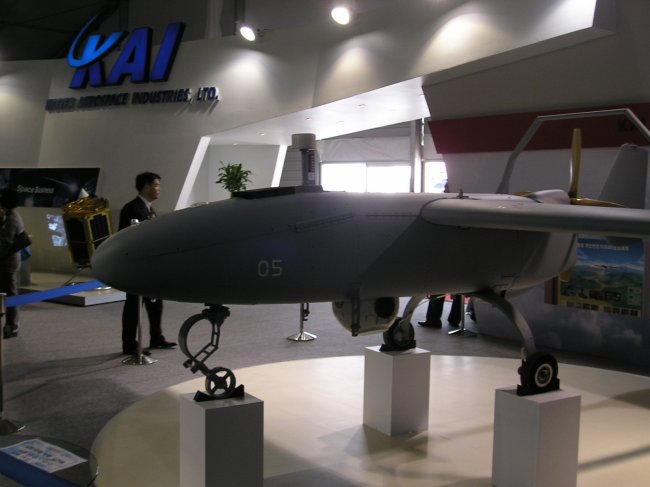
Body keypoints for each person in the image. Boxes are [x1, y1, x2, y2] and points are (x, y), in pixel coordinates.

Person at [119, 172, 177, 355]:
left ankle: (156, 337)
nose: (159, 189)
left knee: (155, 303)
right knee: (134, 305)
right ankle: (129, 344)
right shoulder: (132, 209)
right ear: (146, 187)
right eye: (156, 185)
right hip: (136, 267)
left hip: (151, 266)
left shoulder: (149, 209)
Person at [0, 189, 25, 339]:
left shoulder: (11, 218)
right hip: (7, 261)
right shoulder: (9, 215)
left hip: (8, 262)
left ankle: (12, 325)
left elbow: (5, 243)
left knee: (11, 294)